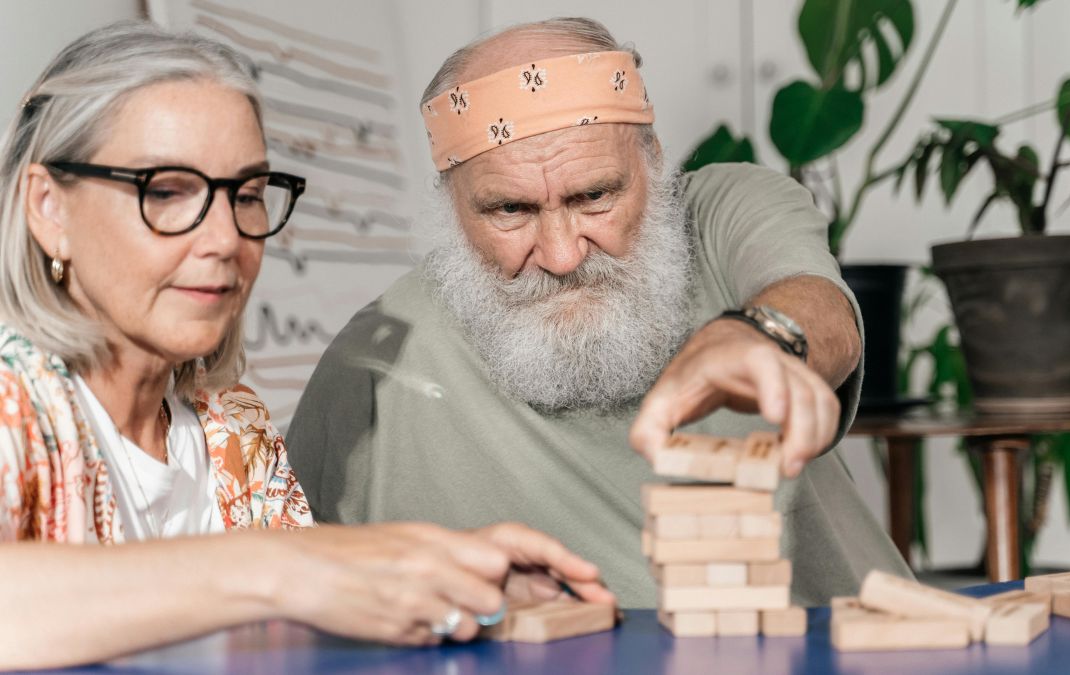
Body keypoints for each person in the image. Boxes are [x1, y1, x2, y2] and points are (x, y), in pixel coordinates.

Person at [0, 21, 612, 671]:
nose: (224, 240)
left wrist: (444, 576)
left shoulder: (233, 426)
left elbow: (301, 611)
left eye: (246, 195)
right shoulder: (12, 401)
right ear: (49, 208)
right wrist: (276, 566)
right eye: (168, 191)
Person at [286, 16, 910, 609]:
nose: (560, 256)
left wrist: (764, 339)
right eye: (510, 210)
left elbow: (818, 307)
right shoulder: (373, 359)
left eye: (593, 196)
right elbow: (294, 584)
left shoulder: (721, 210)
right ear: (450, 207)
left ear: (653, 163)